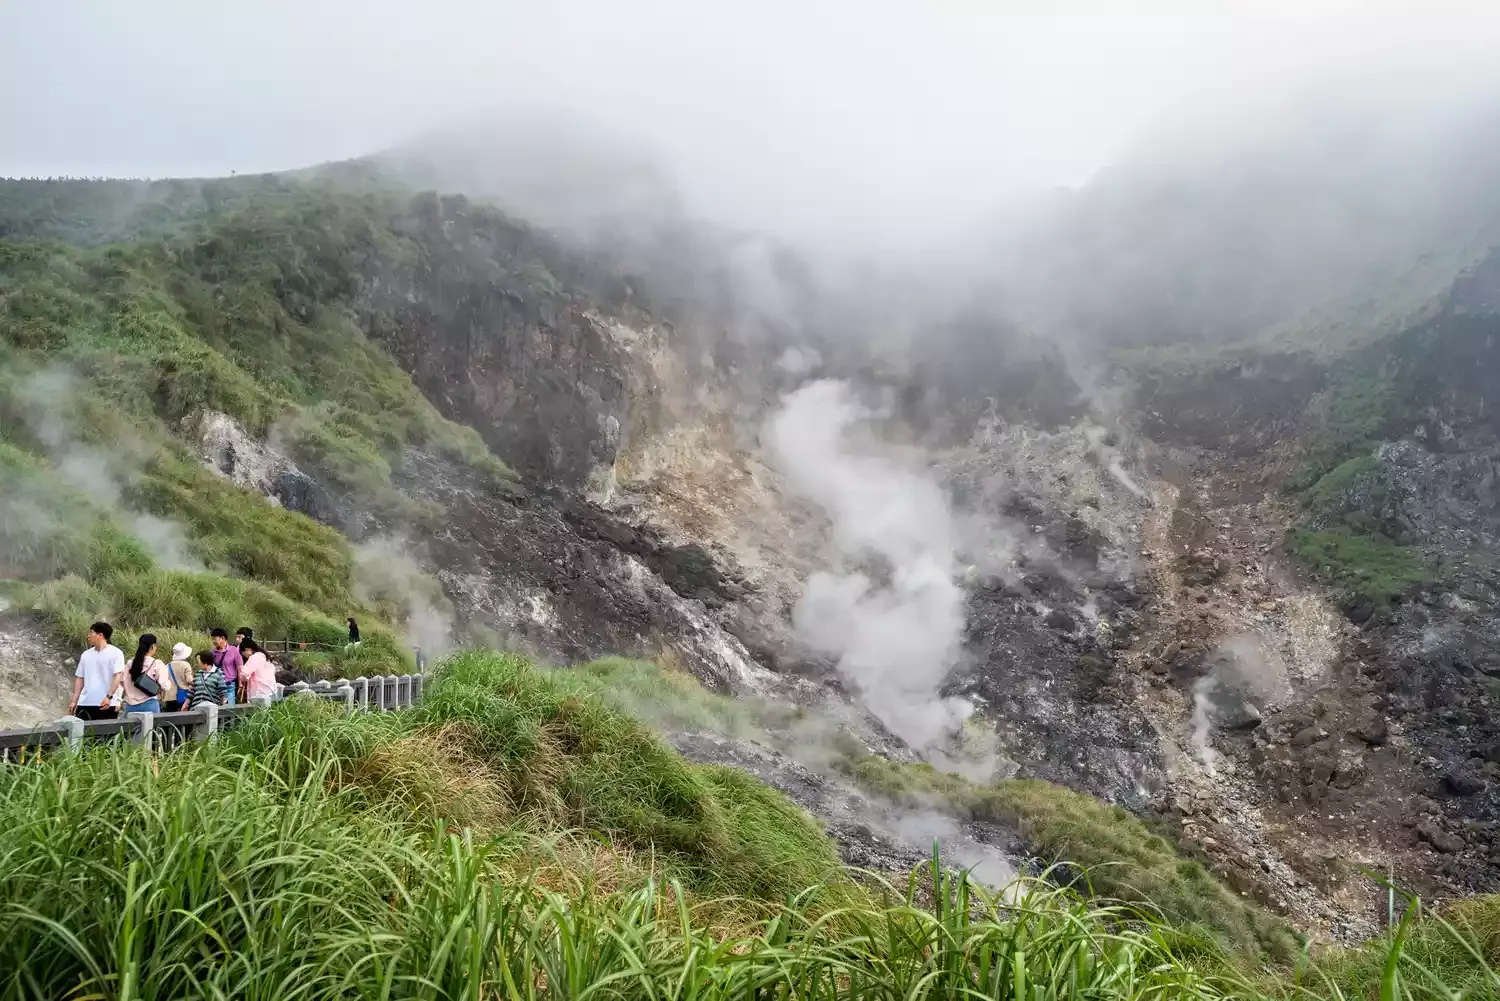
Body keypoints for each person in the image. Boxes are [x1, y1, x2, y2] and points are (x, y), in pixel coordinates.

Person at [67, 621, 125, 720]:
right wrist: (74, 701)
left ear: (100, 635)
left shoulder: (116, 653)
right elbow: (80, 678)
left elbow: (117, 677)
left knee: (105, 734)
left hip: (106, 703)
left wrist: (109, 697)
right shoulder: (86, 654)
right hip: (85, 702)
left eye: (91, 633)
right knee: (82, 734)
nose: (88, 636)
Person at [119, 634, 167, 715]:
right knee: (151, 727)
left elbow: (121, 681)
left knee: (132, 728)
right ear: (153, 646)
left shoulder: (130, 663)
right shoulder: (157, 663)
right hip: (150, 704)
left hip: (130, 706)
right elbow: (164, 685)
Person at [210, 628, 242, 705]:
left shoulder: (233, 650)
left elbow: (239, 667)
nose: (213, 641)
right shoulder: (212, 653)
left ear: (223, 638)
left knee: (229, 710)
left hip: (229, 685)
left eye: (215, 639)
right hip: (216, 686)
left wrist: (240, 683)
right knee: (217, 710)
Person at [161, 642, 195, 712]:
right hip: (183, 696)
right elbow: (189, 680)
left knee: (170, 719)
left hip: (169, 697)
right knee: (185, 718)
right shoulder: (185, 665)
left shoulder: (167, 666)